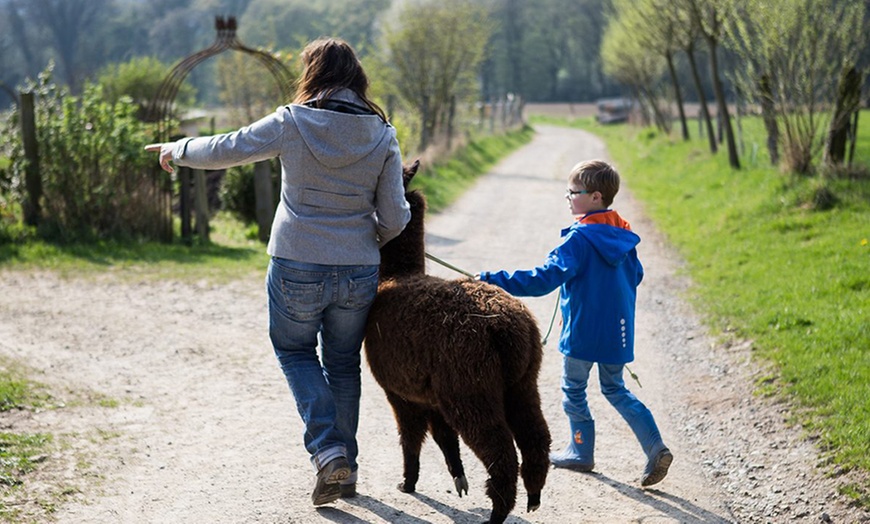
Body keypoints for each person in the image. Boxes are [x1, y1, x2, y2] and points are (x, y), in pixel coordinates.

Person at [145, 38, 411, 505]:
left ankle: (329, 453)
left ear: (314, 73)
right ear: (356, 77)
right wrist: (365, 241)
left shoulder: (293, 121)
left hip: (296, 263)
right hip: (358, 268)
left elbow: (230, 146)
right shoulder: (383, 133)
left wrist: (178, 148)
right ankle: (345, 468)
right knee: (344, 363)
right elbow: (395, 217)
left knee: (294, 352)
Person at [476, 159, 672, 487]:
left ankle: (581, 451)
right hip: (618, 333)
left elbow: (544, 279)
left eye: (572, 192)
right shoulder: (625, 236)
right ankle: (656, 447)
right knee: (616, 389)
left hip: (582, 333)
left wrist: (492, 280)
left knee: (574, 390)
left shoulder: (578, 240)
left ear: (595, 197)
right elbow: (636, 276)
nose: (568, 198)